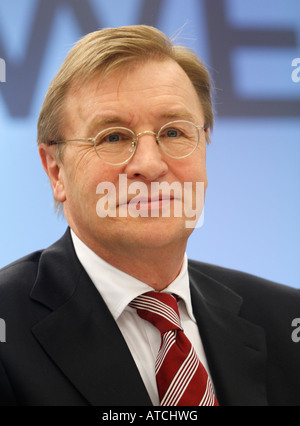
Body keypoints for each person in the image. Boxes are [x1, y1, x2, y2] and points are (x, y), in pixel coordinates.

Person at [0, 25, 299, 407]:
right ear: (56, 170)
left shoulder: (287, 319)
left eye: (173, 132)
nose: (150, 164)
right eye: (113, 137)